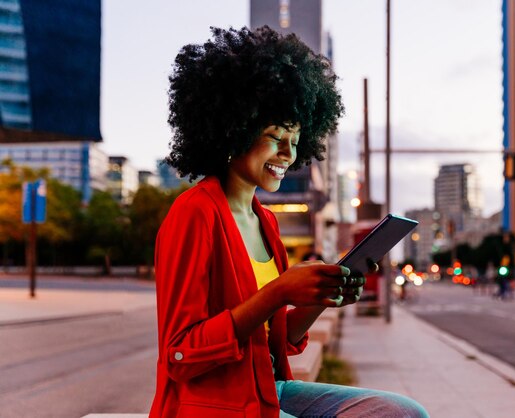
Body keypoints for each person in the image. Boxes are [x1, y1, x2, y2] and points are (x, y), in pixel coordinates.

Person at [149, 26, 429, 418]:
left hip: (268, 388)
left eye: (295, 139)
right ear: (233, 132)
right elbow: (180, 354)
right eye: (274, 136)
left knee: (402, 412)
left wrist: (319, 298)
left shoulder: (266, 222)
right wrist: (278, 291)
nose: (288, 152)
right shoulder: (194, 213)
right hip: (213, 404)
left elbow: (280, 340)